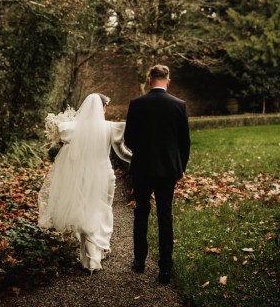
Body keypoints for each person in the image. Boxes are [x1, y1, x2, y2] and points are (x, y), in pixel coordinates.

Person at [38, 93, 132, 274]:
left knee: (84, 211)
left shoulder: (72, 128)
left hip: (82, 176)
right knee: (102, 210)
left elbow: (66, 150)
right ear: (103, 107)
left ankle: (89, 259)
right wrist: (139, 159)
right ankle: (99, 250)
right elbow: (122, 153)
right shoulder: (112, 127)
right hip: (105, 176)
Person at [124, 64, 190, 285]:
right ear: (167, 81)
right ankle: (165, 268)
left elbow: (129, 139)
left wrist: (144, 151)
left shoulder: (136, 104)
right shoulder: (179, 105)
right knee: (165, 215)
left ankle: (139, 261)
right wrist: (180, 168)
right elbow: (184, 143)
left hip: (142, 168)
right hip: (168, 170)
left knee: (141, 213)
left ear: (150, 80)